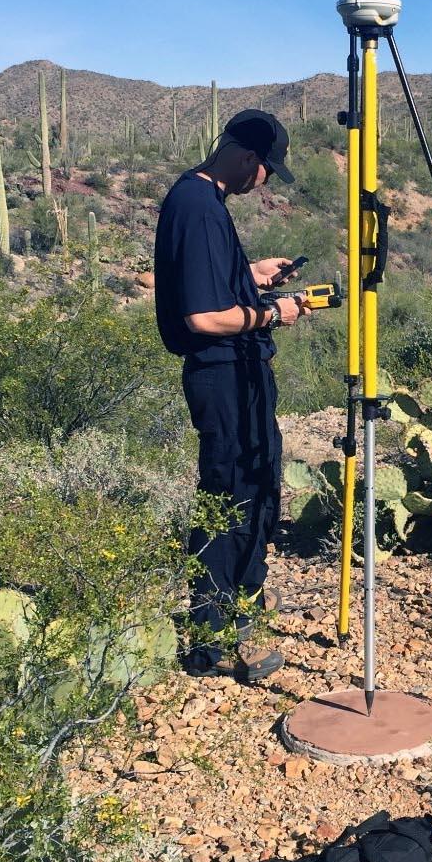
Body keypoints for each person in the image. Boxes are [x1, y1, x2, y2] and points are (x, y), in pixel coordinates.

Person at [154, 108, 310, 680]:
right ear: (248, 159)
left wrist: (251, 274)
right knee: (231, 496)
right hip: (222, 374)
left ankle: (242, 600)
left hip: (234, 372)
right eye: (267, 171)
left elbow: (205, 278)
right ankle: (212, 638)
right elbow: (202, 317)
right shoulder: (198, 207)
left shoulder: (199, 200)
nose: (264, 182)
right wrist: (271, 314)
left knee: (254, 483)